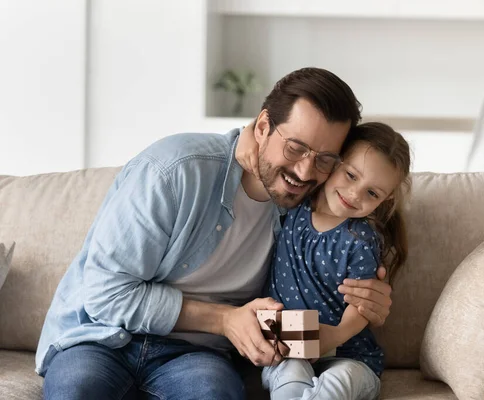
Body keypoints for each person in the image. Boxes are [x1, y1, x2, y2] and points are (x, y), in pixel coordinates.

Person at [36, 67, 394, 400]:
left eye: (324, 159)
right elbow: (105, 293)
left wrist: (366, 301)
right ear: (263, 126)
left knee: (214, 392)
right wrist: (224, 319)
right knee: (77, 390)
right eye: (295, 148)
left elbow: (334, 260)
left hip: (197, 354)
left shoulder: (306, 209)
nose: (304, 170)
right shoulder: (173, 171)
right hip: (102, 338)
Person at [239, 121, 411, 399]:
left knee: (339, 381)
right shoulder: (294, 201)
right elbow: (266, 141)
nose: (355, 194)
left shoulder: (360, 239)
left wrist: (334, 336)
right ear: (333, 161)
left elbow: (363, 303)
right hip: (286, 347)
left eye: (372, 193)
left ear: (385, 200)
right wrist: (247, 136)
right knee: (289, 377)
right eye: (351, 175)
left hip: (351, 356)